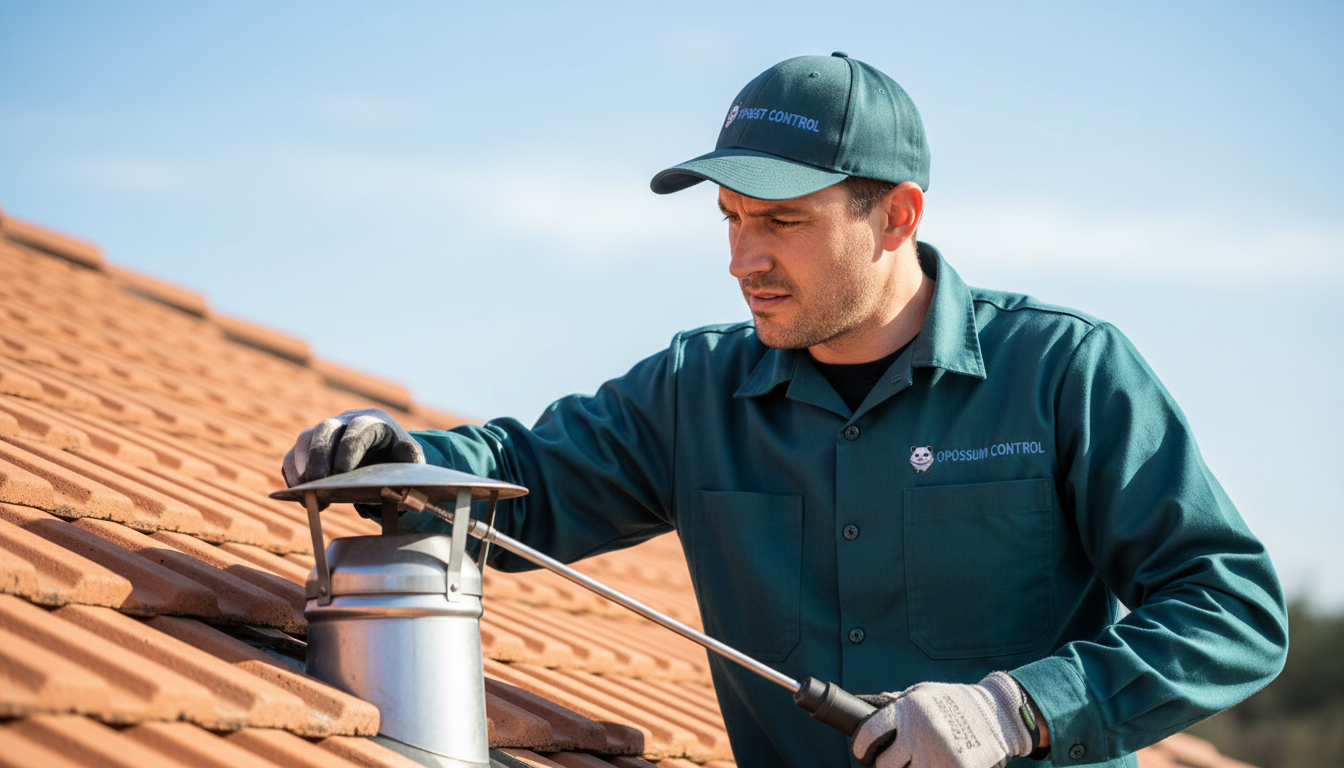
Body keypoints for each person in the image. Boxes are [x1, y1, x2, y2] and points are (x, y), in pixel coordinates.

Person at [283, 53, 1288, 768]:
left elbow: (1231, 612)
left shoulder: (1066, 370)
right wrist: (403, 457)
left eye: (782, 222)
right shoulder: (694, 392)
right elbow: (522, 484)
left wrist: (1017, 711)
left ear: (896, 216)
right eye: (729, 219)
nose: (742, 259)